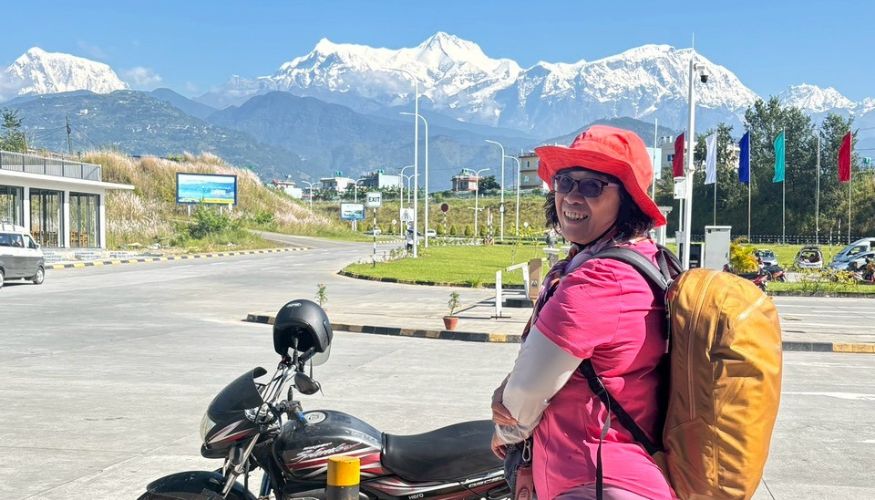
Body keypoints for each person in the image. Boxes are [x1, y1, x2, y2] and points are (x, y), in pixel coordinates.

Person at [491, 125, 673, 499]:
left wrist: (505, 430)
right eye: (565, 182)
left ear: (627, 202)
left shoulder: (602, 278)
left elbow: (524, 393)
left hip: (597, 480)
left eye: (592, 186)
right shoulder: (638, 259)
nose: (572, 196)